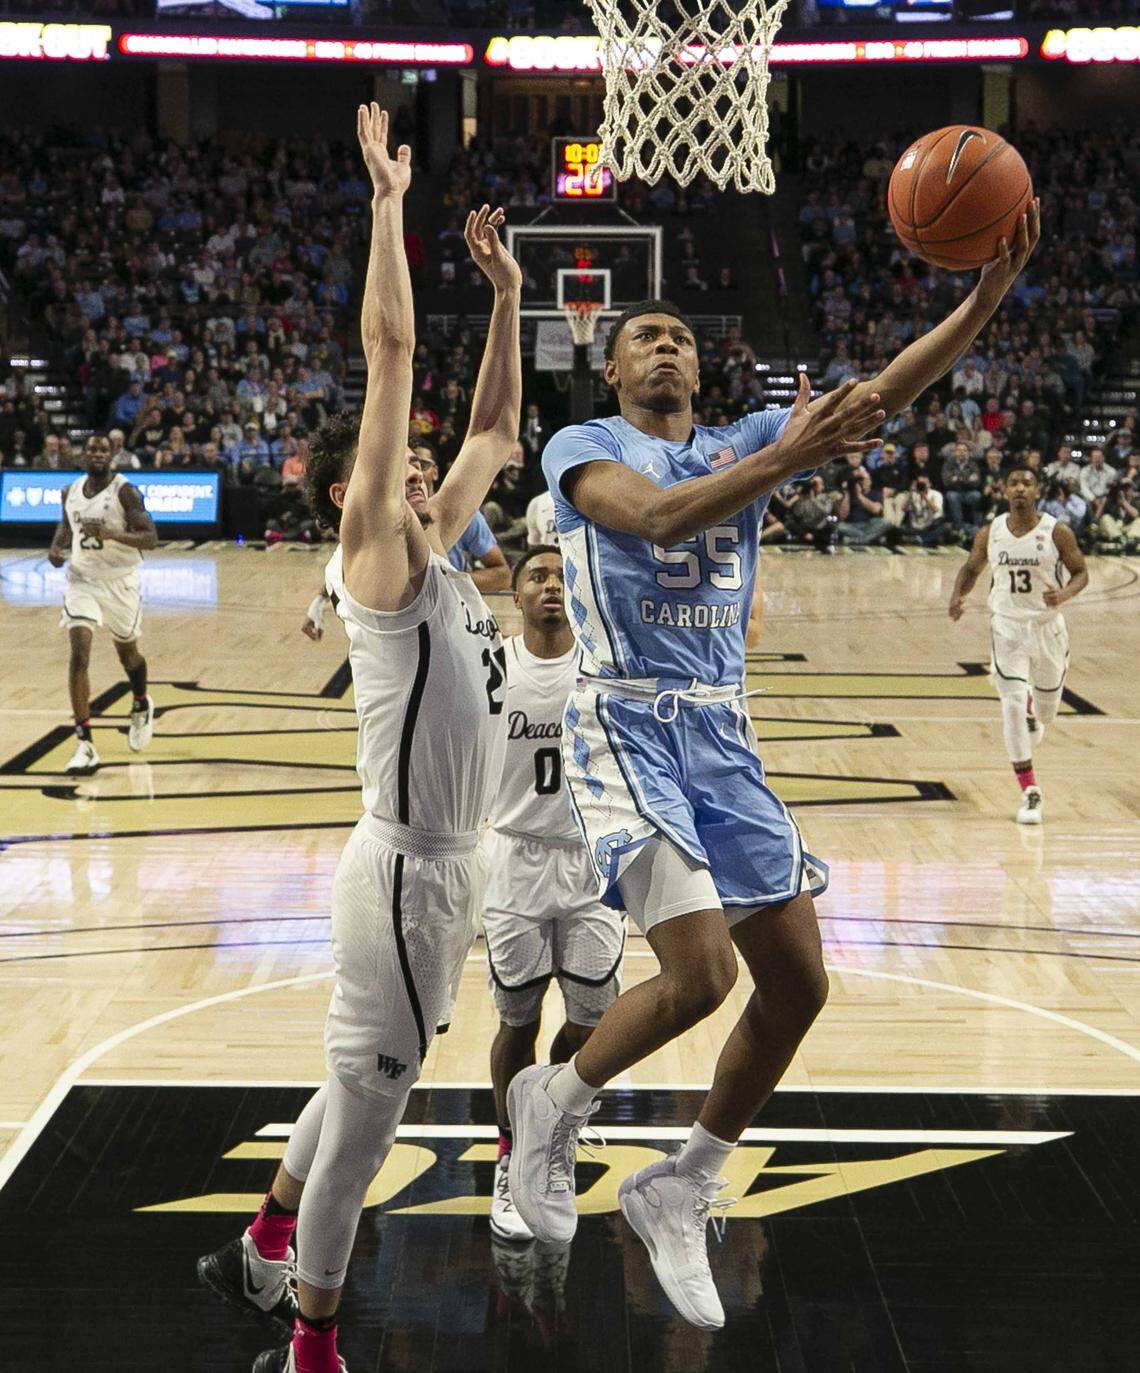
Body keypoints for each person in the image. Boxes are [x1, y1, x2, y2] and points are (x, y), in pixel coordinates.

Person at [507, 199, 1040, 1332]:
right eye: (645, 339)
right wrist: (787, 455)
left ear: (702, 370)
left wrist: (984, 298)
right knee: (702, 975)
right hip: (626, 721)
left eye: (681, 338)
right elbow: (656, 520)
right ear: (612, 368)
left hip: (723, 728)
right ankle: (553, 1098)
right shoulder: (582, 447)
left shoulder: (745, 436)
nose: (667, 348)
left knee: (799, 984)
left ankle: (684, 1178)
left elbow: (882, 391)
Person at [195, 107, 522, 1373]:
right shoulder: (379, 558)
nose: (427, 468)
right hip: (403, 870)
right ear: (357, 494)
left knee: (362, 1076)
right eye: (403, 465)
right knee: (374, 1117)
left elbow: (494, 430)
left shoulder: (440, 542)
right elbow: (390, 353)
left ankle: (266, 1236)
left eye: (424, 466)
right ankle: (311, 1347)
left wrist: (505, 298)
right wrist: (389, 205)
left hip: (452, 864)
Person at [485, 545, 624, 1243]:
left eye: (562, 576)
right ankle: (511, 1153)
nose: (550, 585)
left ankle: (551, 1115)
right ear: (515, 595)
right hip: (514, 857)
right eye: (536, 576)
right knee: (517, 1020)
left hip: (590, 858)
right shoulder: (491, 669)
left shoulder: (605, 665)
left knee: (594, 1022)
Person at [948, 464, 1088, 825]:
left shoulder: (1057, 532)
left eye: (1027, 482)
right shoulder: (990, 532)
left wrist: (1064, 594)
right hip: (1007, 628)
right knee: (1010, 705)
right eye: (1015, 483)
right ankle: (1030, 790)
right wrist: (957, 595)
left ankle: (1034, 713)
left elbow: (1081, 573)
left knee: (1046, 713)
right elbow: (971, 569)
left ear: (1037, 491)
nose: (1021, 488)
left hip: (1047, 628)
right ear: (1004, 490)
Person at [47, 434, 157, 774]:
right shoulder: (69, 492)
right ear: (84, 456)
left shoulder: (125, 492)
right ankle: (85, 743)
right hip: (83, 580)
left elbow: (150, 538)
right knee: (79, 654)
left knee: (129, 655)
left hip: (120, 582)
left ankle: (140, 702)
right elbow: (66, 527)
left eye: (103, 450)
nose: (97, 454)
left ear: (112, 456)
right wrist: (56, 549)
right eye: (92, 449)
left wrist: (112, 534)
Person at [409, 440, 511, 593]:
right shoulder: (383, 519)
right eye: (404, 467)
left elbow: (502, 575)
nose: (416, 473)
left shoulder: (465, 514)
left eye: (421, 465)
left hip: (450, 599)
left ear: (435, 472)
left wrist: (448, 583)